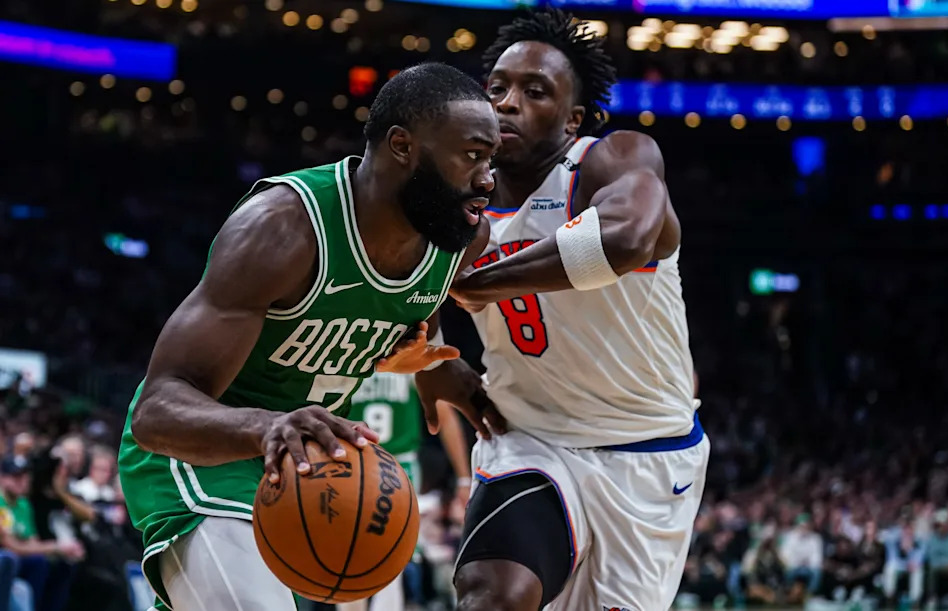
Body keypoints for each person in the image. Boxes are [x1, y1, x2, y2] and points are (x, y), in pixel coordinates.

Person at [117, 62, 500, 611]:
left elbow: (416, 323)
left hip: (306, 468)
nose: (487, 178)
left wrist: (434, 369)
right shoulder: (283, 227)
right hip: (202, 455)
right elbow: (155, 412)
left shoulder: (457, 236)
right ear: (402, 146)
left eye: (491, 159)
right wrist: (267, 426)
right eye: (472, 155)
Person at [414, 9, 709, 611]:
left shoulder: (614, 160)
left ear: (573, 120)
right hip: (529, 438)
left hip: (646, 453)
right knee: (490, 595)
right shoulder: (459, 198)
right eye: (495, 87)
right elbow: (399, 279)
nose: (506, 103)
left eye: (534, 90)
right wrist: (428, 356)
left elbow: (625, 240)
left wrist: (480, 285)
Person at [338, 372, 472, 611]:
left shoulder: (408, 355)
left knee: (389, 562)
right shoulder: (348, 353)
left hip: (397, 466)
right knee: (350, 560)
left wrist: (464, 478)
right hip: (353, 463)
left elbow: (445, 416)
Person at [0, 457, 84, 611]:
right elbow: (10, 546)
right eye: (16, 476)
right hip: (7, 558)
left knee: (63, 564)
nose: (22, 481)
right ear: (3, 478)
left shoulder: (24, 504)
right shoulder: (1, 504)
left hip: (20, 558)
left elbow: (33, 542)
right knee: (36, 562)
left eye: (25, 476)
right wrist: (55, 547)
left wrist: (62, 550)